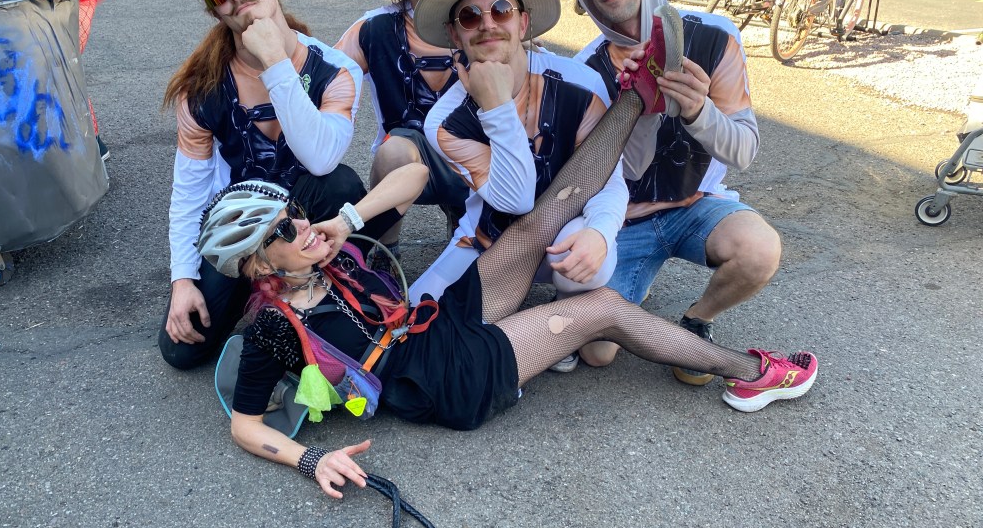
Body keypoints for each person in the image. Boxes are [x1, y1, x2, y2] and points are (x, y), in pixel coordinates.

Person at [195, 31, 819, 500]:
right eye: (284, 232)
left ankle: (636, 95)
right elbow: (245, 425)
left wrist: (346, 220)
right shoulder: (274, 327)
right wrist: (312, 461)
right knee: (605, 309)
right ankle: (753, 372)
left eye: (295, 214)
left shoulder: (326, 250)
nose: (302, 227)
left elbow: (413, 176)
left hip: (431, 322)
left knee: (541, 218)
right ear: (257, 267)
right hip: (446, 377)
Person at [558, 0, 781, 386]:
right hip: (624, 221)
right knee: (597, 353)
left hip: (695, 206)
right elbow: (616, 173)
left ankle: (698, 319)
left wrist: (700, 110)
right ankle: (628, 281)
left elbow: (743, 151)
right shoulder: (586, 71)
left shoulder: (713, 37)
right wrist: (638, 108)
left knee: (759, 250)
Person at [410, 0, 628, 375]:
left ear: (523, 23)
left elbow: (609, 179)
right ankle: (545, 329)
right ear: (455, 34)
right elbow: (516, 200)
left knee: (593, 289)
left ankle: (561, 303)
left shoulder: (579, 84)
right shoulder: (445, 119)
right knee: (418, 322)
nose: (487, 24)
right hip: (490, 241)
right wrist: (495, 105)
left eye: (501, 10)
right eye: (470, 16)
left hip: (565, 234)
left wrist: (600, 233)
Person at [159, 0, 364, 371]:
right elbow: (189, 192)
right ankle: (258, 289)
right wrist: (183, 280)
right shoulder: (201, 90)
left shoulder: (335, 71)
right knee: (182, 349)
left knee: (340, 183)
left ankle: (321, 288)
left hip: (306, 219)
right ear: (215, 10)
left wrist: (274, 62)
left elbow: (321, 158)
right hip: (241, 229)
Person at [334, 0, 487, 260]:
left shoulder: (483, 19)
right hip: (406, 163)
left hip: (478, 161)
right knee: (394, 148)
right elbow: (325, 76)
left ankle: (466, 217)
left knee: (483, 269)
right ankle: (385, 254)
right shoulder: (374, 29)